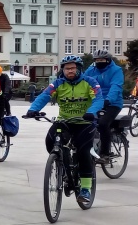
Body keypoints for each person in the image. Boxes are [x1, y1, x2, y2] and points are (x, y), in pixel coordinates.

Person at [25, 55, 103, 204]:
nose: (70, 71)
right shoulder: (58, 84)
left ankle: (85, 188)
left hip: (84, 122)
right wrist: (33, 109)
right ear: (63, 70)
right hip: (65, 121)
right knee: (50, 141)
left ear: (79, 69)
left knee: (83, 152)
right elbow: (44, 95)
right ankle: (62, 163)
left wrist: (92, 112)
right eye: (67, 68)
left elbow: (98, 99)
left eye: (73, 68)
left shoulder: (90, 82)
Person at [84, 49, 124, 163]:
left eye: (102, 60)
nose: (99, 62)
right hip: (95, 101)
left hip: (112, 103)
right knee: (84, 122)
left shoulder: (116, 70)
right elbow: (83, 82)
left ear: (108, 60)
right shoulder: (91, 70)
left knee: (103, 123)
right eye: (97, 60)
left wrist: (108, 100)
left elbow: (116, 86)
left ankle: (105, 153)